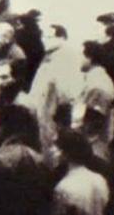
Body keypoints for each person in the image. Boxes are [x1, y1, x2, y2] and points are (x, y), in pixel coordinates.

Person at [30, 24, 83, 165]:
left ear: (61, 37)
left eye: (49, 37)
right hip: (44, 110)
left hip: (53, 113)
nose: (44, 40)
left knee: (51, 148)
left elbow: (66, 92)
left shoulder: (66, 55)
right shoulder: (51, 54)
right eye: (44, 37)